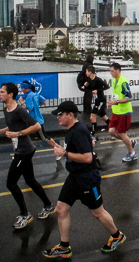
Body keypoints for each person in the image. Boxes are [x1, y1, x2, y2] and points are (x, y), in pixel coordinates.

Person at [42, 101, 126, 258]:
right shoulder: (73, 130)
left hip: (87, 179)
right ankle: (64, 247)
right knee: (61, 209)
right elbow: (87, 147)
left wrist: (64, 154)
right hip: (74, 177)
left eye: (60, 115)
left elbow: (87, 158)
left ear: (70, 115)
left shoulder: (78, 131)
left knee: (97, 212)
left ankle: (116, 236)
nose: (58, 118)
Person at [0, 83, 55, 229]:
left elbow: (36, 126)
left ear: (10, 94)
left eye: (2, 92)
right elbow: (12, 127)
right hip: (23, 149)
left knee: (11, 183)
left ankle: (25, 214)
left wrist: (18, 134)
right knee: (30, 180)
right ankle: (48, 205)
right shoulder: (7, 109)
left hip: (23, 151)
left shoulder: (19, 110)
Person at [107, 62, 137, 162]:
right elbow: (116, 94)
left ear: (118, 70)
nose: (110, 73)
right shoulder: (114, 80)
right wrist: (111, 103)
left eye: (112, 71)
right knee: (111, 131)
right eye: (110, 71)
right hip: (116, 111)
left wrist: (117, 101)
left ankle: (132, 153)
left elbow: (129, 98)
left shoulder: (123, 82)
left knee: (121, 133)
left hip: (124, 112)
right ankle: (129, 141)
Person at [82, 65, 111, 135]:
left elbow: (107, 86)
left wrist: (98, 91)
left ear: (90, 72)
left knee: (92, 117)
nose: (86, 73)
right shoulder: (89, 79)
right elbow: (90, 88)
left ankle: (93, 133)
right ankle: (113, 126)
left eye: (86, 72)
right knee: (103, 117)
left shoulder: (98, 80)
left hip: (101, 100)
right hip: (97, 100)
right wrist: (86, 85)